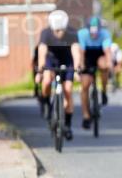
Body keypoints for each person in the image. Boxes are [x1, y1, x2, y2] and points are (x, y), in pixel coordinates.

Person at [34, 9, 83, 141]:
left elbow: (76, 52)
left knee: (67, 90)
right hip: (51, 60)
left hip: (67, 61)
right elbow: (42, 53)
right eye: (56, 31)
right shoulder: (46, 33)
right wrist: (40, 71)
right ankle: (45, 101)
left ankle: (67, 125)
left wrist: (78, 68)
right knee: (46, 81)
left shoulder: (72, 33)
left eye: (61, 30)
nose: (59, 33)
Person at [77, 16, 113, 129]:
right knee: (85, 85)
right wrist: (81, 66)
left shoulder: (105, 34)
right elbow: (81, 52)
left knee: (104, 66)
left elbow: (107, 52)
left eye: (96, 32)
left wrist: (110, 64)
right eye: (92, 32)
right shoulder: (82, 34)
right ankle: (86, 115)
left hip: (99, 53)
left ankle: (103, 90)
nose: (94, 35)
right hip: (86, 55)